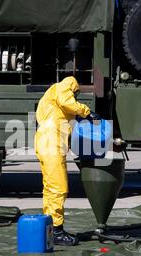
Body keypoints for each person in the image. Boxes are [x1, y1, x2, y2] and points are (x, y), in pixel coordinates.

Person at [35, 76, 99, 246]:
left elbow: (65, 118)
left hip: (47, 142)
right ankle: (56, 231)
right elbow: (67, 102)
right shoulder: (61, 88)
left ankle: (49, 227)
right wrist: (87, 111)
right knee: (59, 187)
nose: (75, 97)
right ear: (73, 87)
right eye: (76, 93)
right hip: (51, 143)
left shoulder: (53, 102)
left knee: (50, 188)